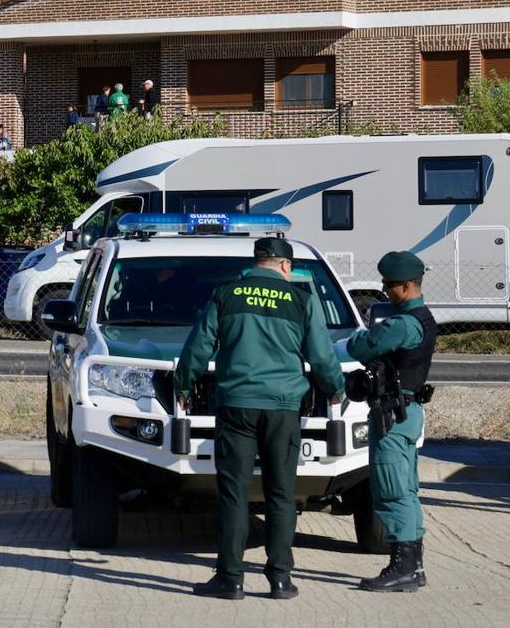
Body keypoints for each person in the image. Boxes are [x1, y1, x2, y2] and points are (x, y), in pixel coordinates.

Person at [175, 236, 344, 600]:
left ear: (256, 262)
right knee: (282, 494)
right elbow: (321, 355)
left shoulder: (226, 295)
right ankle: (280, 579)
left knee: (234, 494)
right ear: (285, 266)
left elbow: (198, 346)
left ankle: (230, 579)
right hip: (283, 409)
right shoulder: (302, 300)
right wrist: (335, 387)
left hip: (237, 405)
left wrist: (184, 386)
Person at [347, 251, 435, 593]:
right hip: (406, 411)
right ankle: (414, 566)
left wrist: (356, 340)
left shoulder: (404, 324)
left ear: (408, 285)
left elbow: (364, 346)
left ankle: (403, 568)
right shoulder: (425, 318)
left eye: (390, 285)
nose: (385, 291)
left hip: (392, 416)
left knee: (391, 490)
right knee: (407, 490)